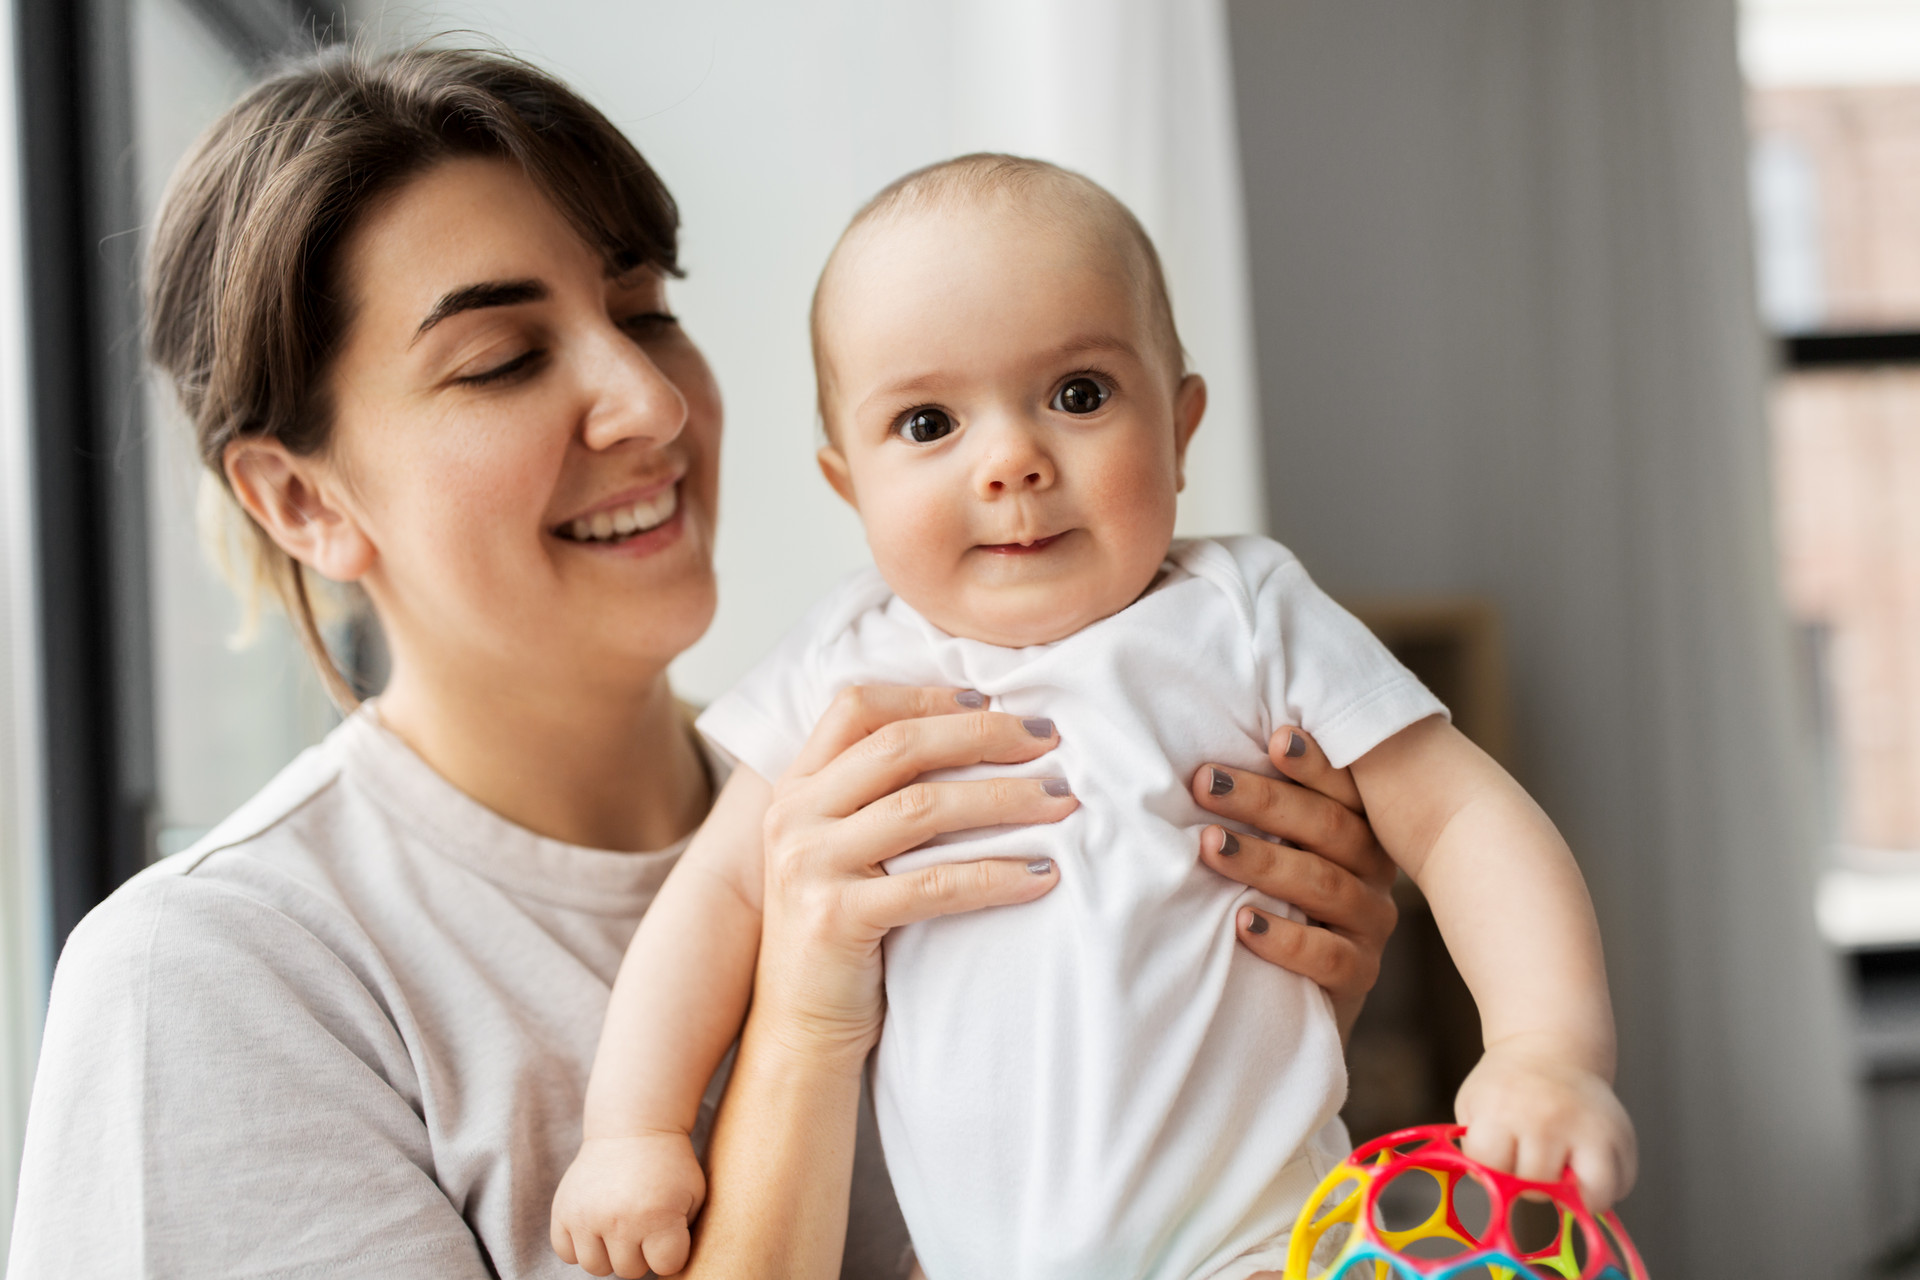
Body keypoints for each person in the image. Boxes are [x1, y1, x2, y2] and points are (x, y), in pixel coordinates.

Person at [3, 48, 1406, 1280]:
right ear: (303, 501)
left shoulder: (959, 762)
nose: (650, 399)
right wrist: (799, 1020)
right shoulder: (210, 983)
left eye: (647, 309)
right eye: (502, 359)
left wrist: (1270, 1013)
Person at [553, 157, 1638, 1280]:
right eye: (928, 421)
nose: (1012, 459)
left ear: (1182, 424)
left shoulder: (1246, 614)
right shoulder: (845, 662)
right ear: (849, 485)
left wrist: (1547, 1047)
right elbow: (722, 892)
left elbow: (1464, 819)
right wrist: (632, 1127)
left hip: (1259, 1245)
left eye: (1078, 395)